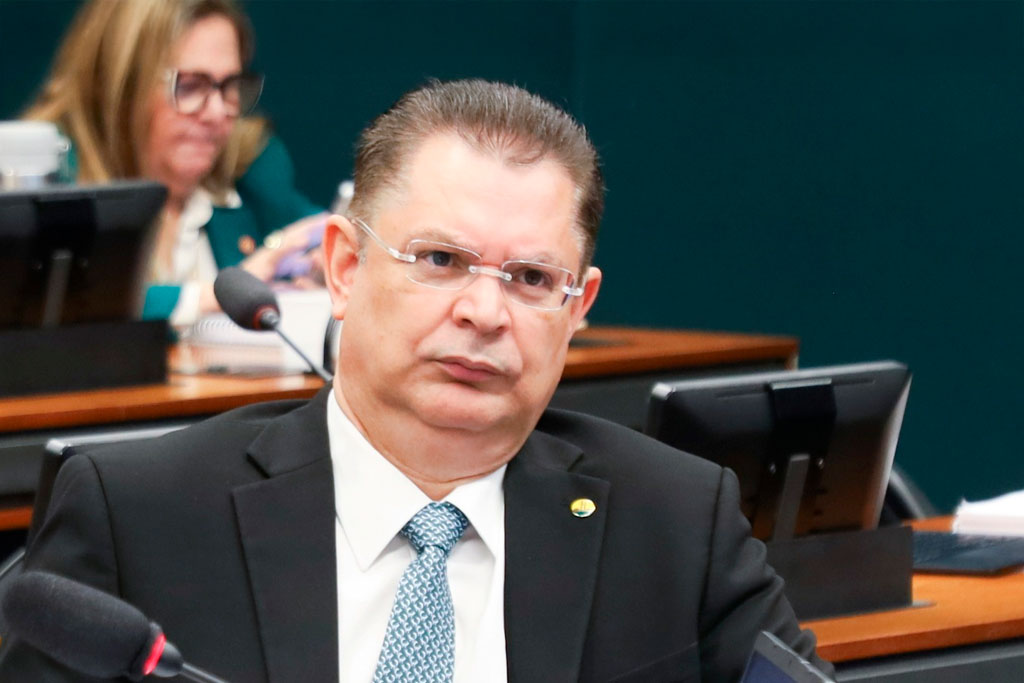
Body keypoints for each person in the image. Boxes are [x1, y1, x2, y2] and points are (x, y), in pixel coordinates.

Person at [0, 79, 831, 682]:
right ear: (344, 267)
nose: (484, 310)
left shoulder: (676, 522)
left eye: (532, 279)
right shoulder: (138, 513)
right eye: (440, 259)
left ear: (580, 308)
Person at [23, 0, 325, 326]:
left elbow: (319, 229)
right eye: (190, 86)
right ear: (121, 86)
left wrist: (320, 260)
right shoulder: (45, 179)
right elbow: (58, 304)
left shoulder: (248, 166)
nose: (218, 113)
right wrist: (211, 297)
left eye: (230, 86)